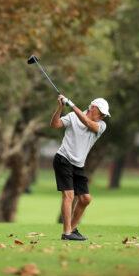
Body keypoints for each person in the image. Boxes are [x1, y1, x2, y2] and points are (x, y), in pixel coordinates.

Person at [51, 95, 110, 241]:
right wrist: (60, 108)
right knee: (69, 196)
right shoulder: (72, 116)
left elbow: (88, 123)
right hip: (63, 159)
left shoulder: (101, 125)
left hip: (78, 165)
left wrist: (71, 104)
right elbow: (55, 125)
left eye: (104, 114)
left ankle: (72, 228)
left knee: (85, 199)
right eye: (101, 112)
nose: (102, 116)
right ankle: (67, 233)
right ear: (92, 107)